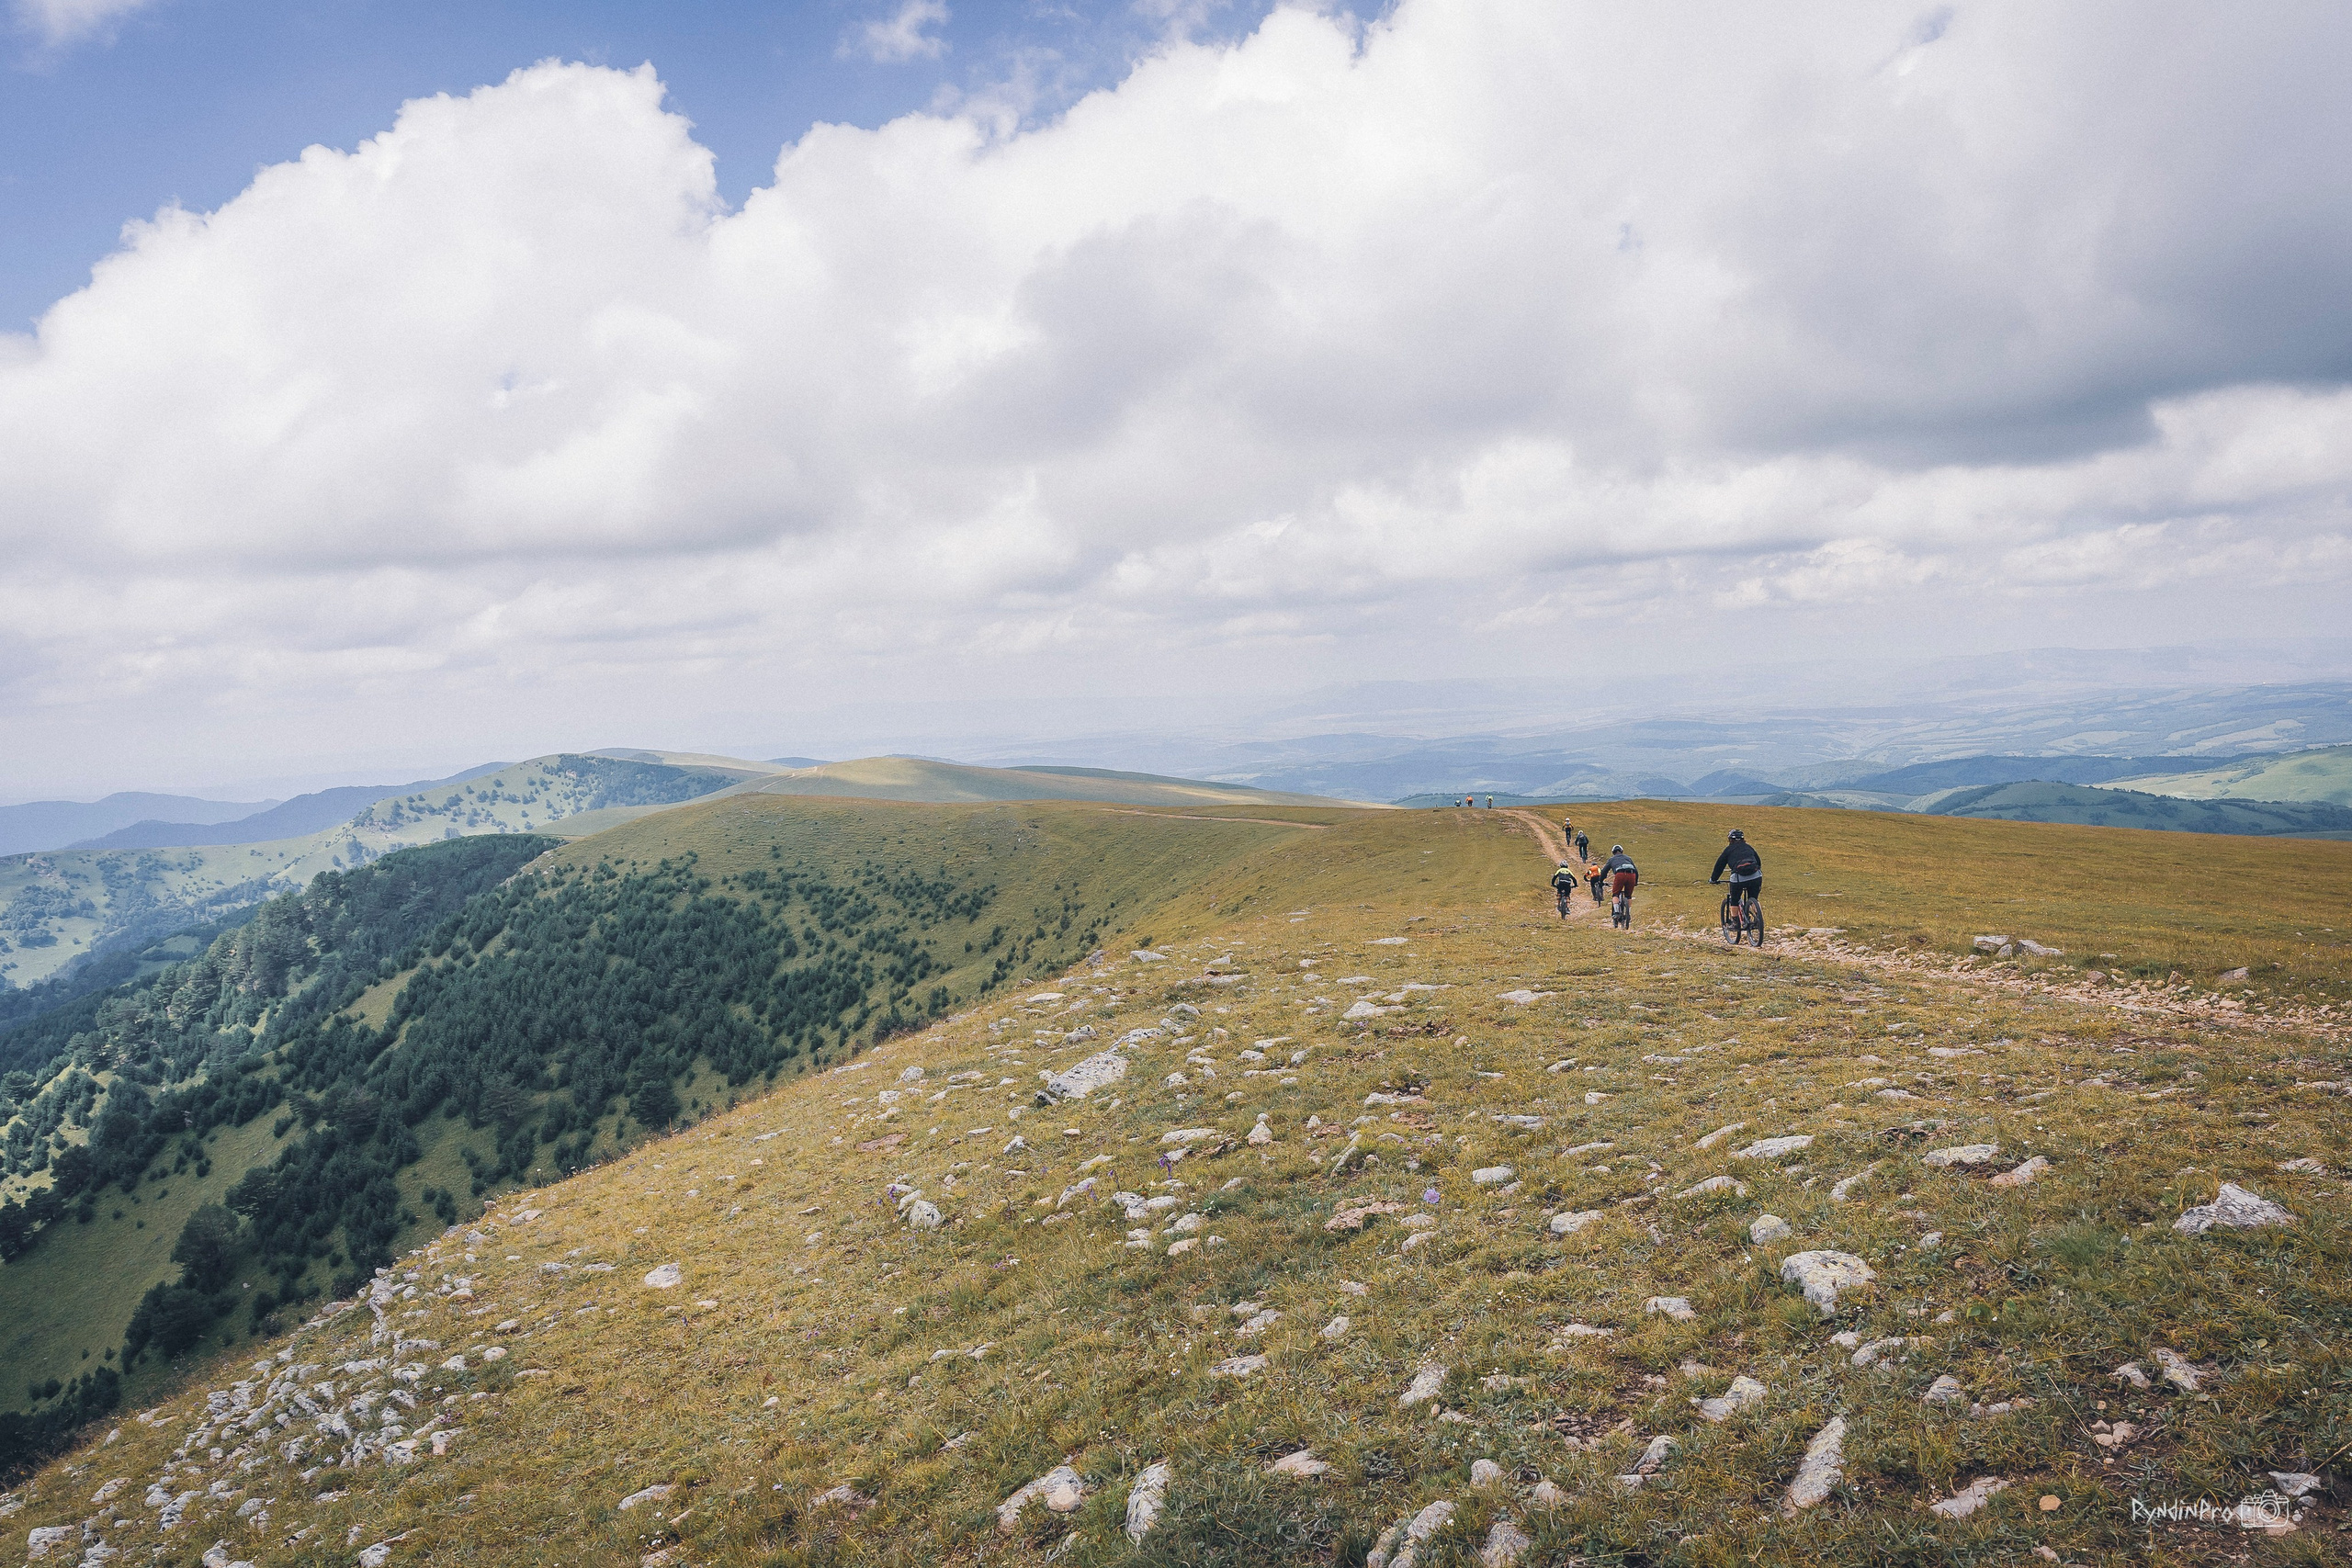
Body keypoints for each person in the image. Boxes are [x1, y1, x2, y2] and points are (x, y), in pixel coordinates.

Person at [1709, 828, 1763, 913]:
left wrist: (1713, 879)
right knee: (1754, 898)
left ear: (1730, 840)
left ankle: (1735, 922)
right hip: (1756, 876)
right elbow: (1758, 862)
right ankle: (1759, 919)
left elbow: (1719, 866)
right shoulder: (1749, 847)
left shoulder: (1728, 850)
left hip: (1739, 878)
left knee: (1734, 900)